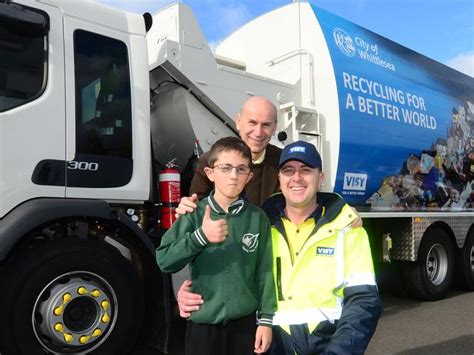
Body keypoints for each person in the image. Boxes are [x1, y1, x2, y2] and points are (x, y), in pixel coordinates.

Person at [177, 140, 383, 354]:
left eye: (306, 170)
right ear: (280, 179)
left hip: (327, 345)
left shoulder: (348, 229)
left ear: (320, 178)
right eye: (288, 170)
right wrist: (189, 291)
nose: (296, 178)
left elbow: (363, 301)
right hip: (267, 345)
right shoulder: (258, 225)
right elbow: (226, 270)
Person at [156, 137, 276, 355]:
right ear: (210, 173)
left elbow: (266, 271)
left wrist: (266, 321)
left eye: (241, 169)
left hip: (245, 327)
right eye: (225, 168)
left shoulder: (258, 218)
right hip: (203, 327)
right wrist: (201, 237)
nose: (233, 175)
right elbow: (165, 260)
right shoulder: (194, 213)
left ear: (249, 176)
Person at [187, 96, 281, 207]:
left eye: (266, 125)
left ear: (275, 128)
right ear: (238, 122)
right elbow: (197, 207)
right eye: (252, 123)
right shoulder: (209, 161)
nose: (258, 133)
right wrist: (188, 207)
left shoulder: (285, 162)